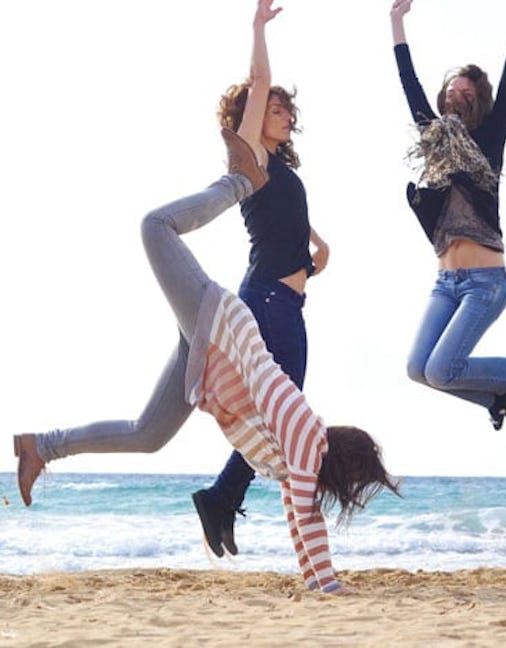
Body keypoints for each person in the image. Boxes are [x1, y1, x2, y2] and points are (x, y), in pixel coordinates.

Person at [13, 126, 400, 594]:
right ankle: (241, 181)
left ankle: (40, 447)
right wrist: (330, 585)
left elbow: (299, 520)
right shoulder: (302, 433)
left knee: (148, 435)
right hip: (221, 324)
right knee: (154, 226)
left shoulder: (292, 462)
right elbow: (307, 514)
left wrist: (318, 582)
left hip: (210, 360)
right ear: (339, 462)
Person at [189, 1, 330, 559]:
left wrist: (317, 246)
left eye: (286, 110)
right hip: (267, 298)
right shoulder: (249, 160)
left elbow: (286, 217)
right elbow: (260, 77)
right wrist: (257, 27)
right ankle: (222, 497)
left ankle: (223, 497)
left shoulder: (279, 169)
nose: (284, 113)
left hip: (285, 301)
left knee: (281, 409)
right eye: (272, 108)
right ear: (250, 113)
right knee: (284, 407)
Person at [389, 0, 506, 431]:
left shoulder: (490, 138)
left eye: (467, 95)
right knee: (419, 368)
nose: (456, 97)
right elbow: (409, 83)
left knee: (439, 369)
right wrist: (396, 22)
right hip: (445, 282)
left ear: (478, 104)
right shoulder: (433, 141)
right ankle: (495, 395)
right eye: (451, 91)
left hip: (485, 284)